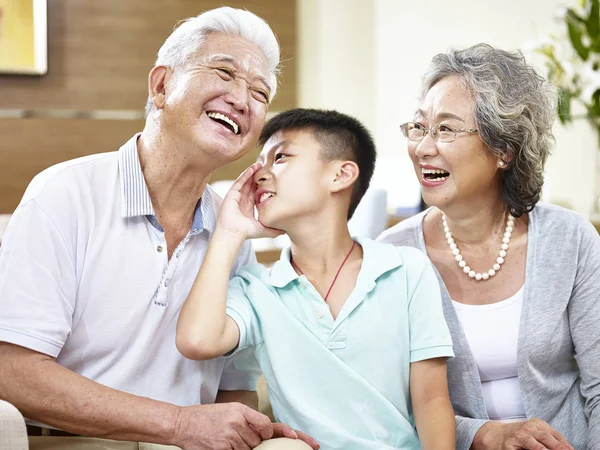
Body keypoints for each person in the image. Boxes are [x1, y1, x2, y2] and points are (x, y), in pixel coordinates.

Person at [0, 7, 318, 450]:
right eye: (224, 73)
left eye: (260, 93)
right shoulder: (65, 194)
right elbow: (12, 369)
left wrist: (243, 432)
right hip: (74, 442)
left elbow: (234, 386)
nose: (242, 100)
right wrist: (178, 425)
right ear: (162, 85)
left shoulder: (233, 232)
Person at [176, 108, 456, 450]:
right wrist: (229, 231)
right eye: (259, 162)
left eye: (280, 157)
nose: (258, 174)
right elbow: (196, 341)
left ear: (340, 175)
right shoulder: (256, 289)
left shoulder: (406, 269)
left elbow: (431, 401)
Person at [378, 43, 600, 450]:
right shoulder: (391, 256)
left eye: (445, 129)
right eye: (418, 126)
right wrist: (484, 435)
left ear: (503, 150)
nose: (424, 147)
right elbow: (389, 405)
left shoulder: (572, 239)